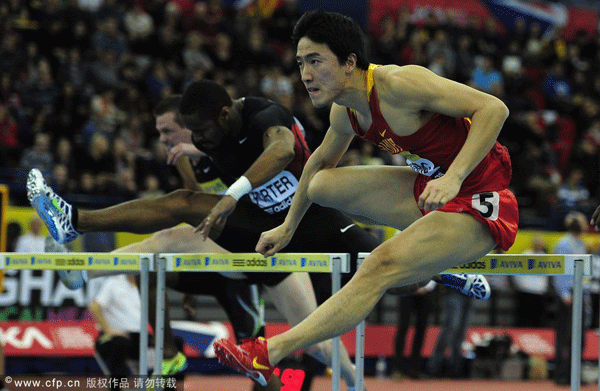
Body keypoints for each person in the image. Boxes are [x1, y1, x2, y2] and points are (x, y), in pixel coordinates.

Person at [29, 81, 490, 389]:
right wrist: (193, 154)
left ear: (226, 115)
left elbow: (283, 149)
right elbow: (192, 200)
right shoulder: (202, 146)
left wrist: (231, 194)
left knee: (380, 285)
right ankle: (74, 224)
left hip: (312, 223)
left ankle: (435, 274)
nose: (191, 141)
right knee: (175, 219)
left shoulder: (262, 116)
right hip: (258, 234)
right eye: (181, 135)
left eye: (192, 133)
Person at [212, 10, 517, 386]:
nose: (305, 74)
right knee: (321, 185)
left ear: (349, 62)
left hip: (482, 197)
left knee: (377, 264)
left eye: (315, 61)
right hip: (432, 192)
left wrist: (455, 177)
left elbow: (494, 108)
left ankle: (269, 352)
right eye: (300, 63)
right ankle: (437, 267)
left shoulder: (400, 84)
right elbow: (318, 161)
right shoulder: (346, 112)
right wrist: (288, 226)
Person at [552, 211, 591, 386]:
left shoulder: (580, 244)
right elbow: (558, 270)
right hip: (568, 295)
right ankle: (561, 375)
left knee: (580, 337)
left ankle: (573, 372)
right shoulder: (564, 244)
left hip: (580, 293)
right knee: (565, 337)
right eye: (582, 222)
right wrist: (564, 294)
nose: (585, 225)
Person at [89, 274, 143, 391]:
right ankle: (115, 387)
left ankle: (168, 386)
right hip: (110, 338)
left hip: (139, 338)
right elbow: (94, 306)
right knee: (121, 342)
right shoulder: (113, 283)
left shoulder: (146, 285)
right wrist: (108, 330)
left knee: (175, 342)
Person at [391, 280, 435, 380]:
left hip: (425, 291)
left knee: (421, 329)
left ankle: (415, 369)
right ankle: (398, 369)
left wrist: (426, 287)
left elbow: (435, 268)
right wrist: (410, 287)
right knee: (402, 328)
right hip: (406, 289)